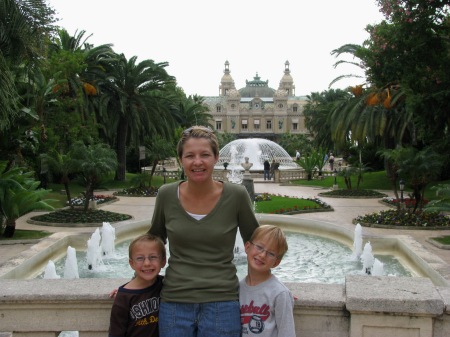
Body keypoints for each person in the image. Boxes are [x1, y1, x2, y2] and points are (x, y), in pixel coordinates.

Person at [149, 125, 260, 337]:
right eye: (190, 155)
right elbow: (153, 242)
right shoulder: (166, 195)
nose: (197, 162)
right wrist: (137, 284)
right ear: (181, 159)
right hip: (175, 303)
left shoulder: (236, 195)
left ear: (217, 157)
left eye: (205, 155)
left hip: (222, 302)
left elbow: (257, 245)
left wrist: (270, 289)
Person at [239, 225, 296, 337]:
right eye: (259, 247)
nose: (262, 255)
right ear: (247, 247)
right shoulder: (239, 288)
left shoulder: (280, 294)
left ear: (276, 262)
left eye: (270, 253)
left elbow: (287, 333)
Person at [108, 234, 166, 337]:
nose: (147, 263)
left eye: (153, 257)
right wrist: (124, 291)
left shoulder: (165, 284)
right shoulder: (124, 297)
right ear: (131, 263)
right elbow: (116, 333)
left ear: (163, 261)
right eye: (140, 258)